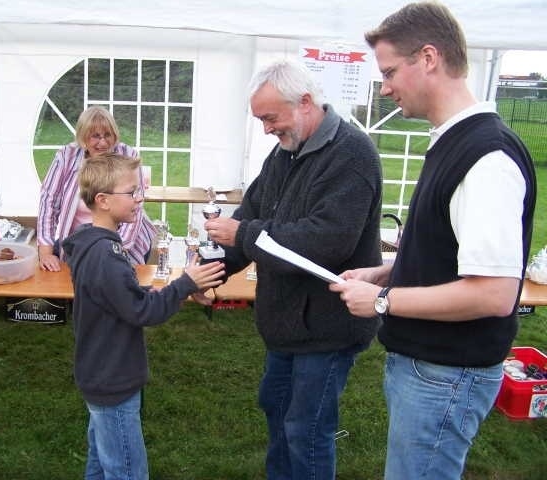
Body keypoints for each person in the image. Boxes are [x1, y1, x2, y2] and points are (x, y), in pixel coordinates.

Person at [329, 3, 537, 479]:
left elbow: (494, 293)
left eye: (388, 72)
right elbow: (451, 253)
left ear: (428, 58)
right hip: (432, 367)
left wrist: (382, 300)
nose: (384, 88)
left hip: (447, 372)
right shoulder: (454, 140)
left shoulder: (485, 157)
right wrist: (387, 270)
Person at [203, 59, 383, 479]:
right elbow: (249, 215)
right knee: (277, 410)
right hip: (286, 323)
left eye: (270, 117)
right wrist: (211, 271)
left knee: (307, 429)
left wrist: (244, 234)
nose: (266, 128)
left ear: (304, 102)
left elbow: (325, 240)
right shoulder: (284, 153)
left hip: (329, 326)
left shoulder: (353, 154)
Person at [62, 152, 224, 480]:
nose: (140, 198)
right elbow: (142, 311)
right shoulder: (106, 257)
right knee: (126, 470)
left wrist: (180, 291)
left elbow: (124, 301)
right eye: (133, 191)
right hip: (113, 379)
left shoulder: (93, 247)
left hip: (100, 373)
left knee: (101, 460)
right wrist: (184, 284)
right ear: (104, 201)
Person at [37, 105, 156, 270]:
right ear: (83, 138)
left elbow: (135, 205)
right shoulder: (66, 155)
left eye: (108, 135)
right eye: (95, 136)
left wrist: (113, 252)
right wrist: (46, 252)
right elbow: (49, 202)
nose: (103, 142)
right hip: (79, 239)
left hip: (125, 241)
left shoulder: (128, 155)